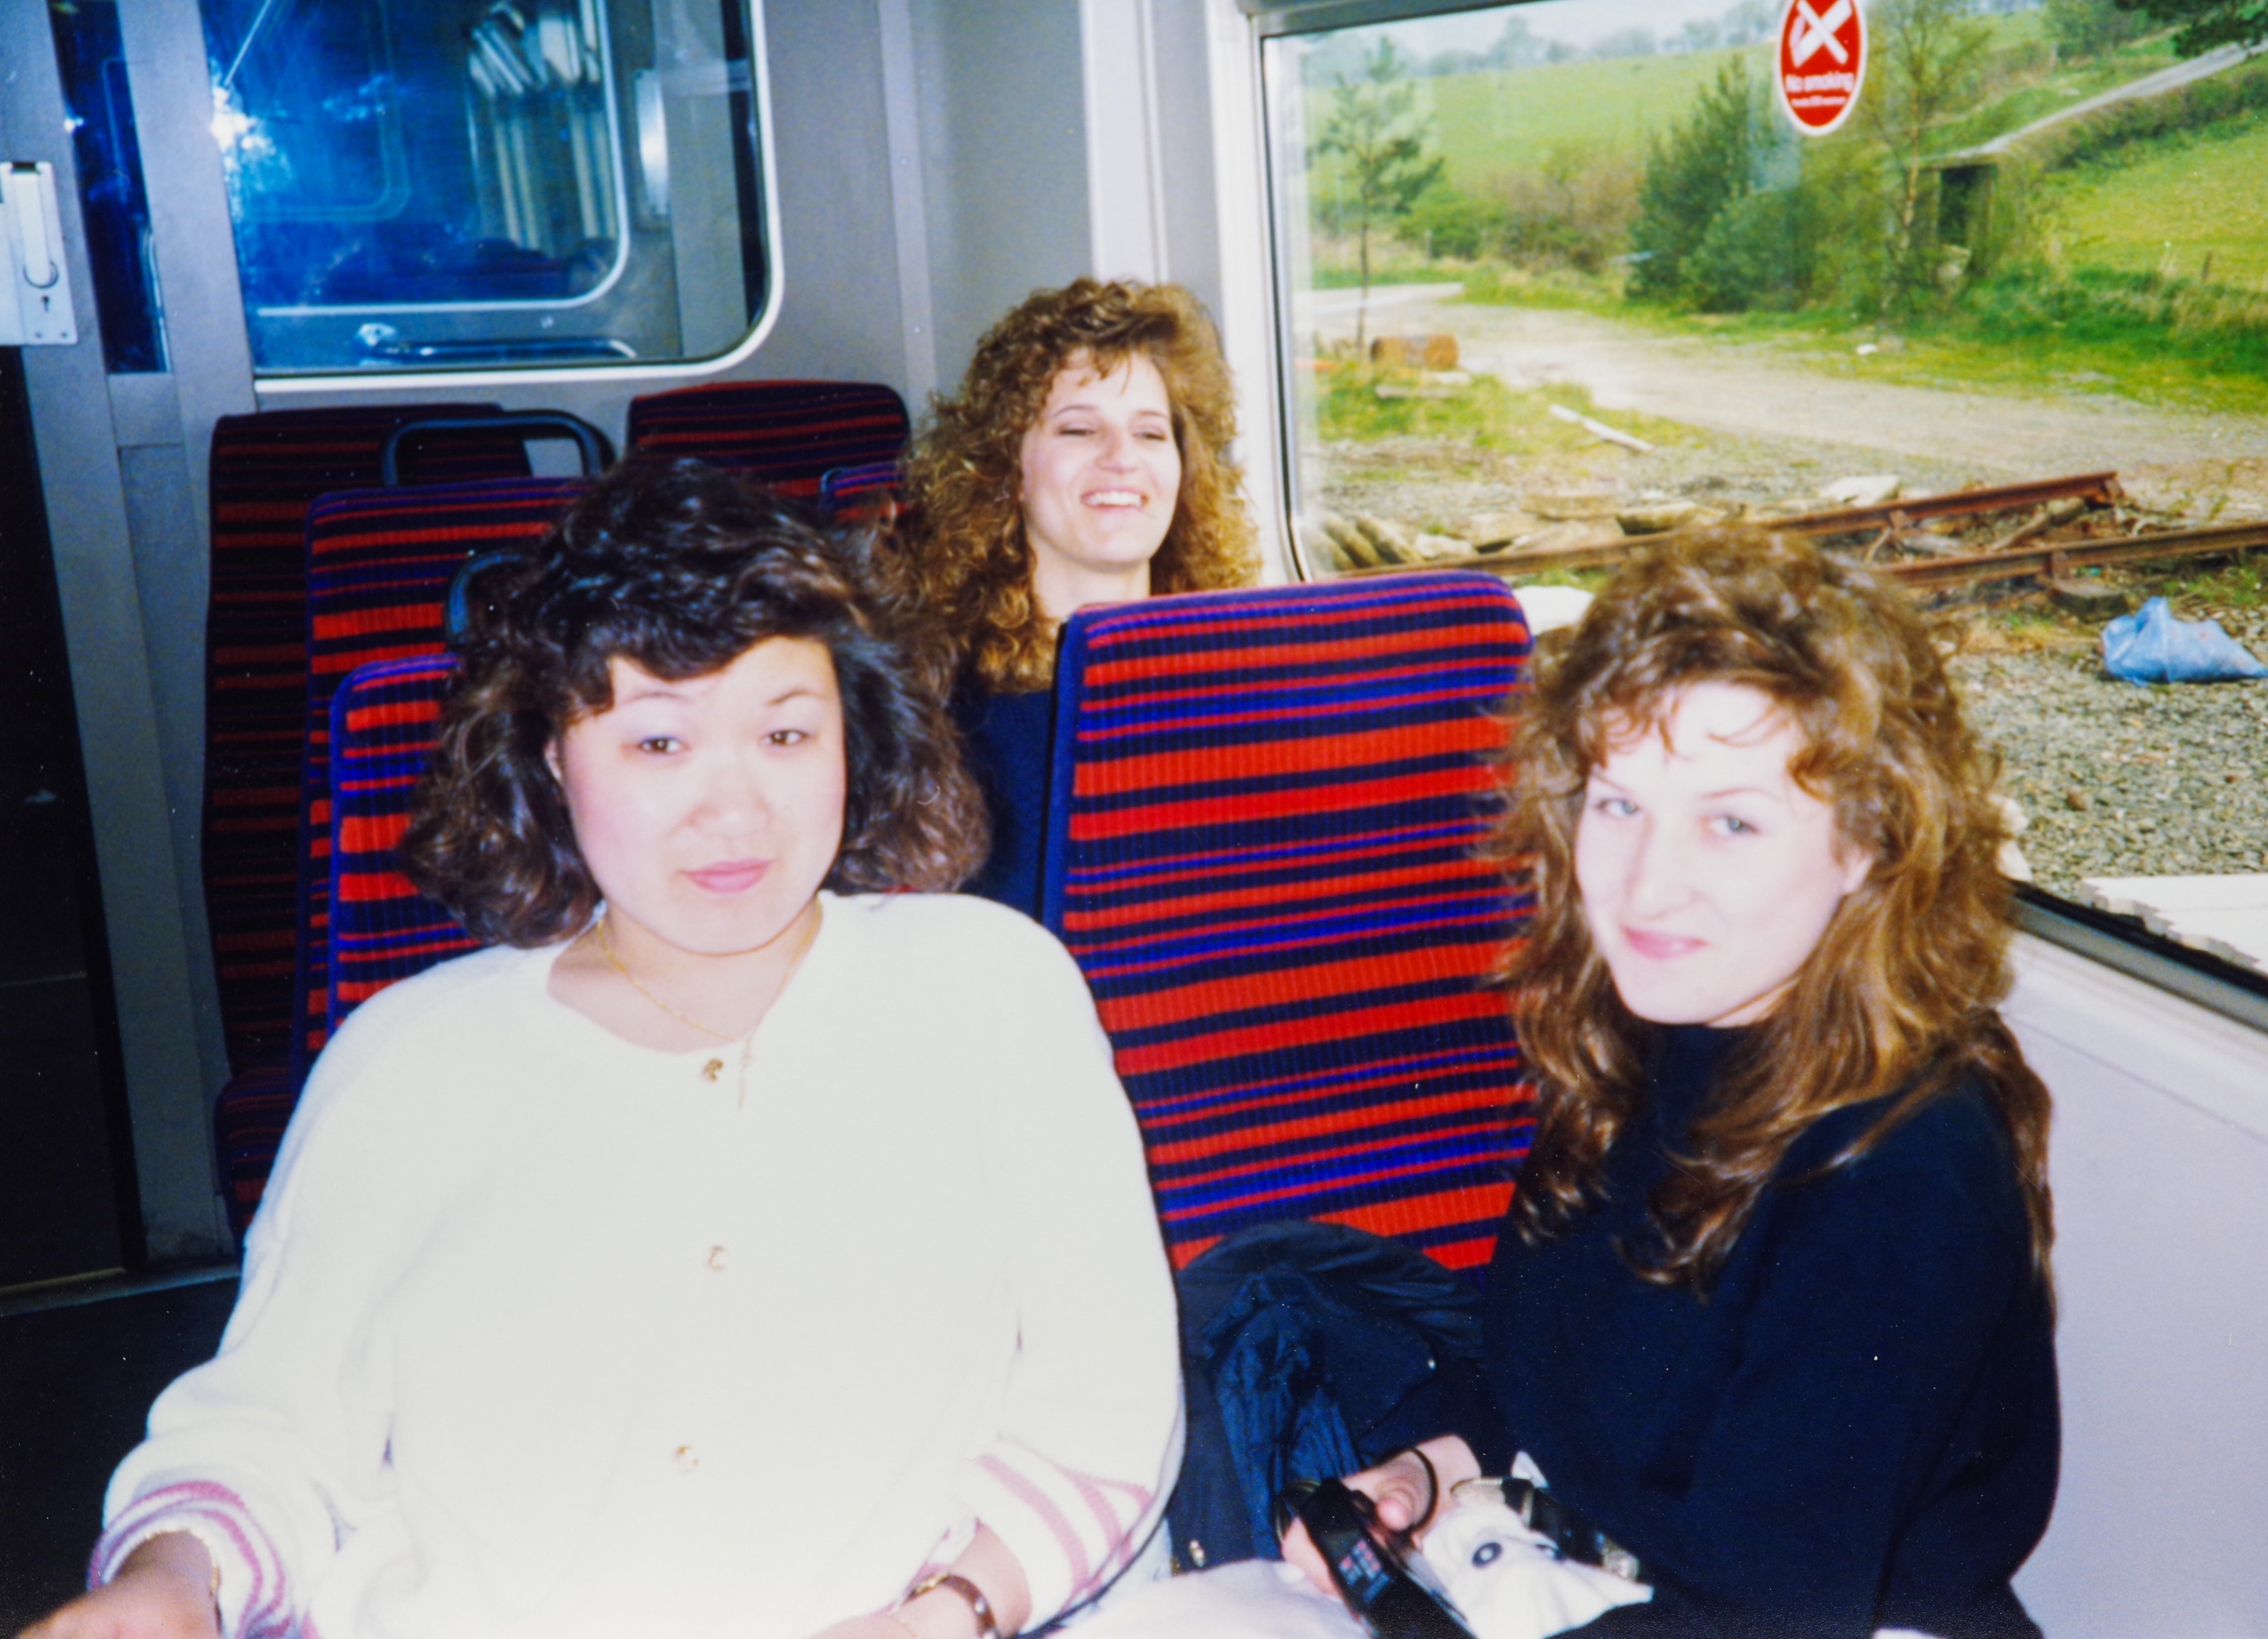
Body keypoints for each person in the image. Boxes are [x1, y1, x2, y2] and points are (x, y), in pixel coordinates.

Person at [24, 458, 1182, 1639]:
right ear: (547, 758)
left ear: (857, 740)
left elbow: (1110, 1401)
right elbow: (269, 1429)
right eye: (658, 745)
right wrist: (170, 1583)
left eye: (786, 733)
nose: (735, 810)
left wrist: (950, 1613)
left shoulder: (988, 992)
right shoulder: (411, 1063)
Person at [1284, 529, 2059, 1639]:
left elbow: (1762, 1610)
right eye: (1619, 803)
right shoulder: (1644, 1038)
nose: (1649, 882)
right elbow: (1545, 1374)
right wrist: (1422, 1471)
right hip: (1604, 1580)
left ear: (1867, 846)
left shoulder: (1903, 1169)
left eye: (1731, 821)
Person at [889, 277, 1259, 914]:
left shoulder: (1239, 678)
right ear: (1008, 473)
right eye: (1079, 430)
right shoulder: (937, 711)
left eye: (1149, 434)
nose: (1122, 459)